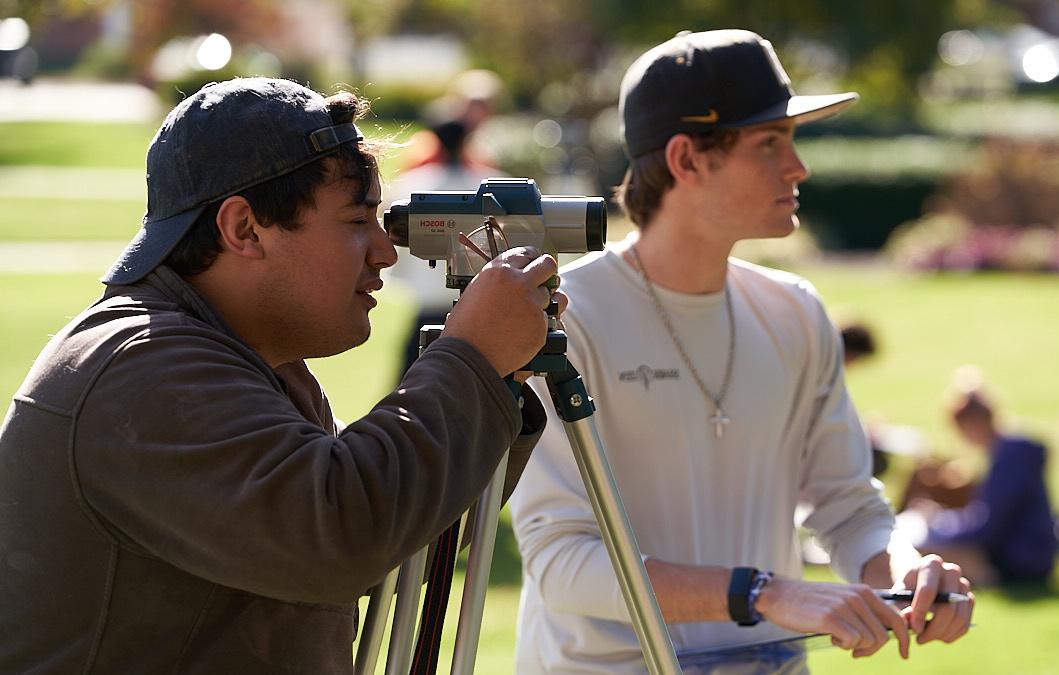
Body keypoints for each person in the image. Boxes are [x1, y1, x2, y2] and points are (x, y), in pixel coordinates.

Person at [0, 77, 564, 673]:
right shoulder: (141, 367)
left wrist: (498, 377)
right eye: (356, 221)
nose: (384, 252)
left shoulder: (246, 361)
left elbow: (399, 536)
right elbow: (343, 534)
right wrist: (471, 359)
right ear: (243, 228)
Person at [509, 30, 973, 674]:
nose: (798, 167)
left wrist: (904, 572)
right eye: (768, 144)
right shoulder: (564, 319)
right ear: (687, 159)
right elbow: (563, 563)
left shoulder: (795, 311)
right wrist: (766, 594)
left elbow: (847, 504)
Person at [901, 369, 1058, 587]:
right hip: (1025, 551)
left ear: (971, 423)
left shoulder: (1011, 457)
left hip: (1022, 558)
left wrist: (938, 523)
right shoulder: (1009, 451)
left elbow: (985, 528)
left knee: (918, 551)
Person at [389, 117, 505, 374]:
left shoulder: (412, 186)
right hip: (480, 307)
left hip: (428, 311)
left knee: (409, 391)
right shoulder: (494, 186)